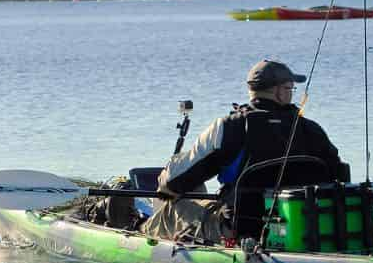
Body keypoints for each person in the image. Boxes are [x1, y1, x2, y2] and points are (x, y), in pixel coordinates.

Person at [142, 59, 344, 244]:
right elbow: (339, 175)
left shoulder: (229, 126)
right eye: (290, 88)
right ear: (279, 92)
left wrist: (164, 182)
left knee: (173, 205)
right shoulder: (312, 130)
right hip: (303, 229)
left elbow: (174, 182)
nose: (292, 93)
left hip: (238, 232)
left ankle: (137, 232)